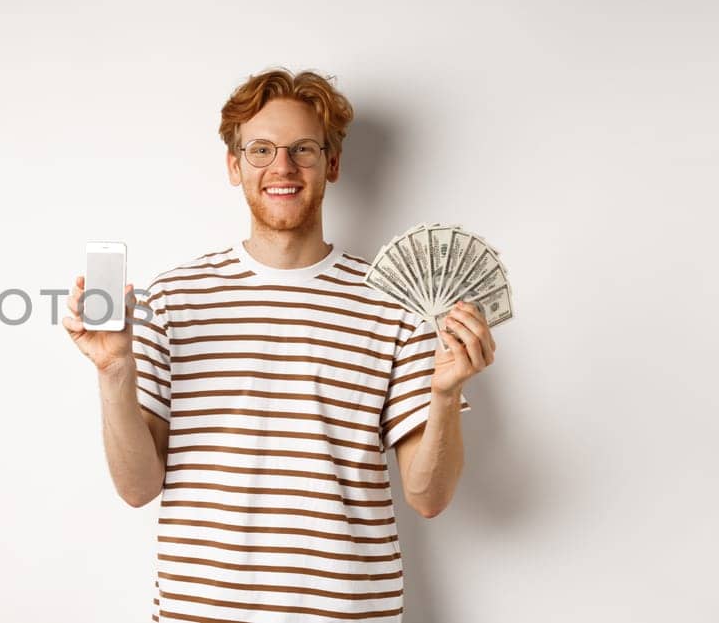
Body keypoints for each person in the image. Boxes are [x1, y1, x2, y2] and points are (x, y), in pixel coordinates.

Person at [61, 68, 497, 622]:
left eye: (303, 149)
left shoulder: (396, 303)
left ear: (332, 163)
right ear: (234, 165)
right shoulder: (173, 299)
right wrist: (114, 371)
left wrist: (442, 395)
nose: (282, 167)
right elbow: (137, 488)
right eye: (261, 149)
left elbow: (428, 497)